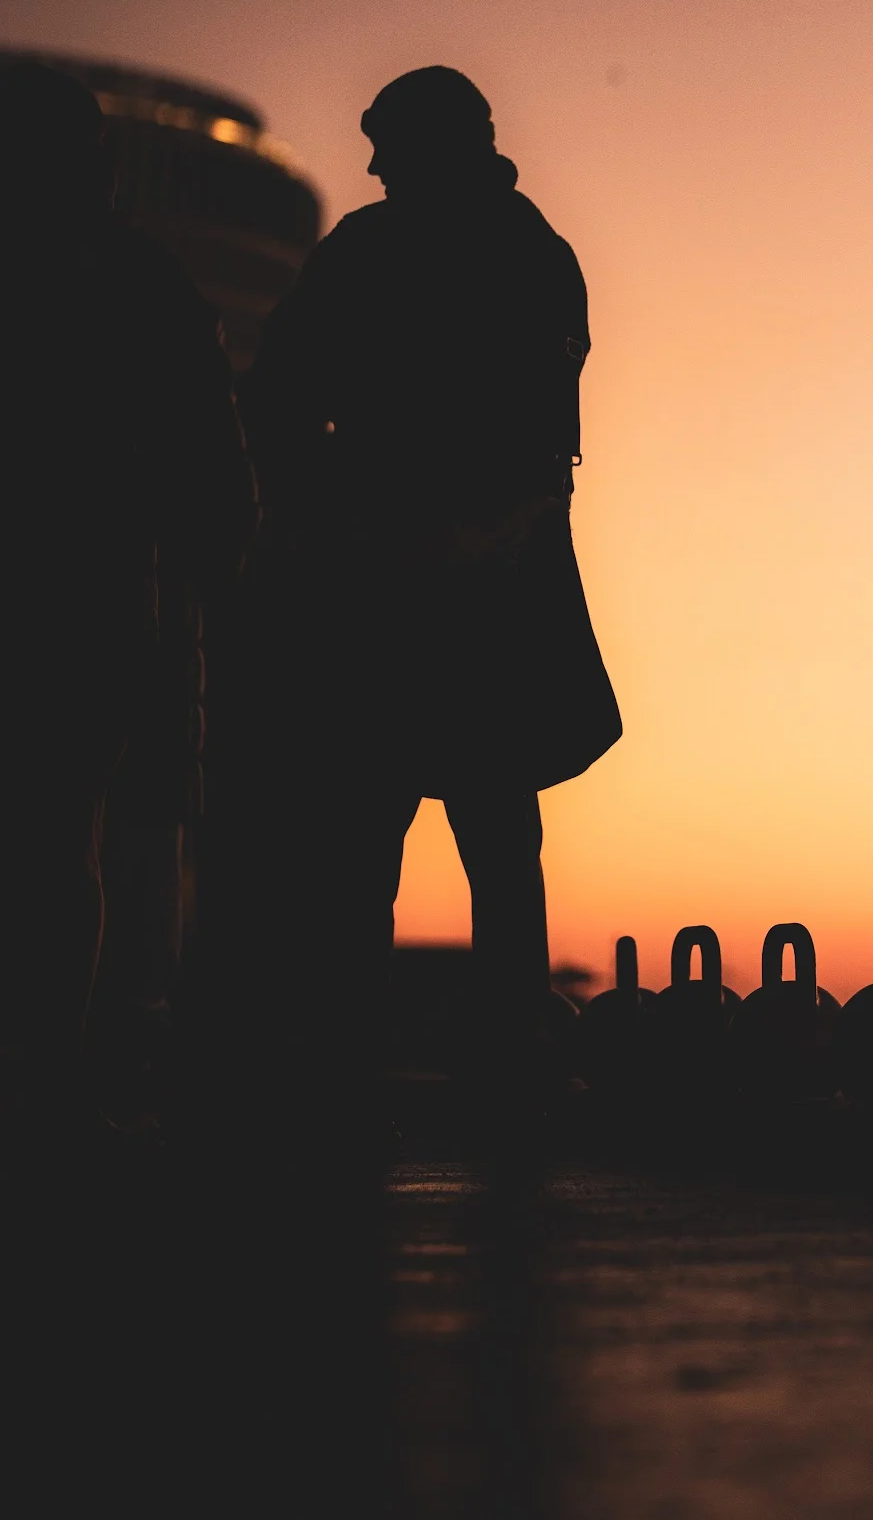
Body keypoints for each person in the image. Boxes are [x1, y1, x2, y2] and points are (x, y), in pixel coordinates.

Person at [232, 65, 620, 1126]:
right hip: (450, 579)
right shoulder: (526, 257)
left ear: (436, 146)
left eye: (387, 146)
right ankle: (494, 1058)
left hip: (416, 582)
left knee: (395, 831)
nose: (370, 166)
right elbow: (547, 438)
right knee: (457, 832)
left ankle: (376, 1060)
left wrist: (324, 510)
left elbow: (275, 399)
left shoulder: (390, 251)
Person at [0, 59, 256, 1142]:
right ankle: (44, 1080)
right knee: (61, 847)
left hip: (70, 593)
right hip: (89, 597)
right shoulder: (137, 278)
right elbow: (208, 454)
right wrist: (221, 556)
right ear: (95, 162)